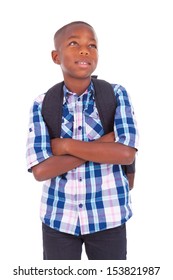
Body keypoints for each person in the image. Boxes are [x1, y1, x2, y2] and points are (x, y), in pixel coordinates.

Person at [26, 21, 139, 260]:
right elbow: (40, 170)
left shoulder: (115, 94)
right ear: (56, 56)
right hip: (59, 219)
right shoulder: (43, 103)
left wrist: (65, 146)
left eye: (92, 45)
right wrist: (104, 145)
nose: (85, 50)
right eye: (74, 43)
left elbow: (126, 153)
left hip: (108, 216)